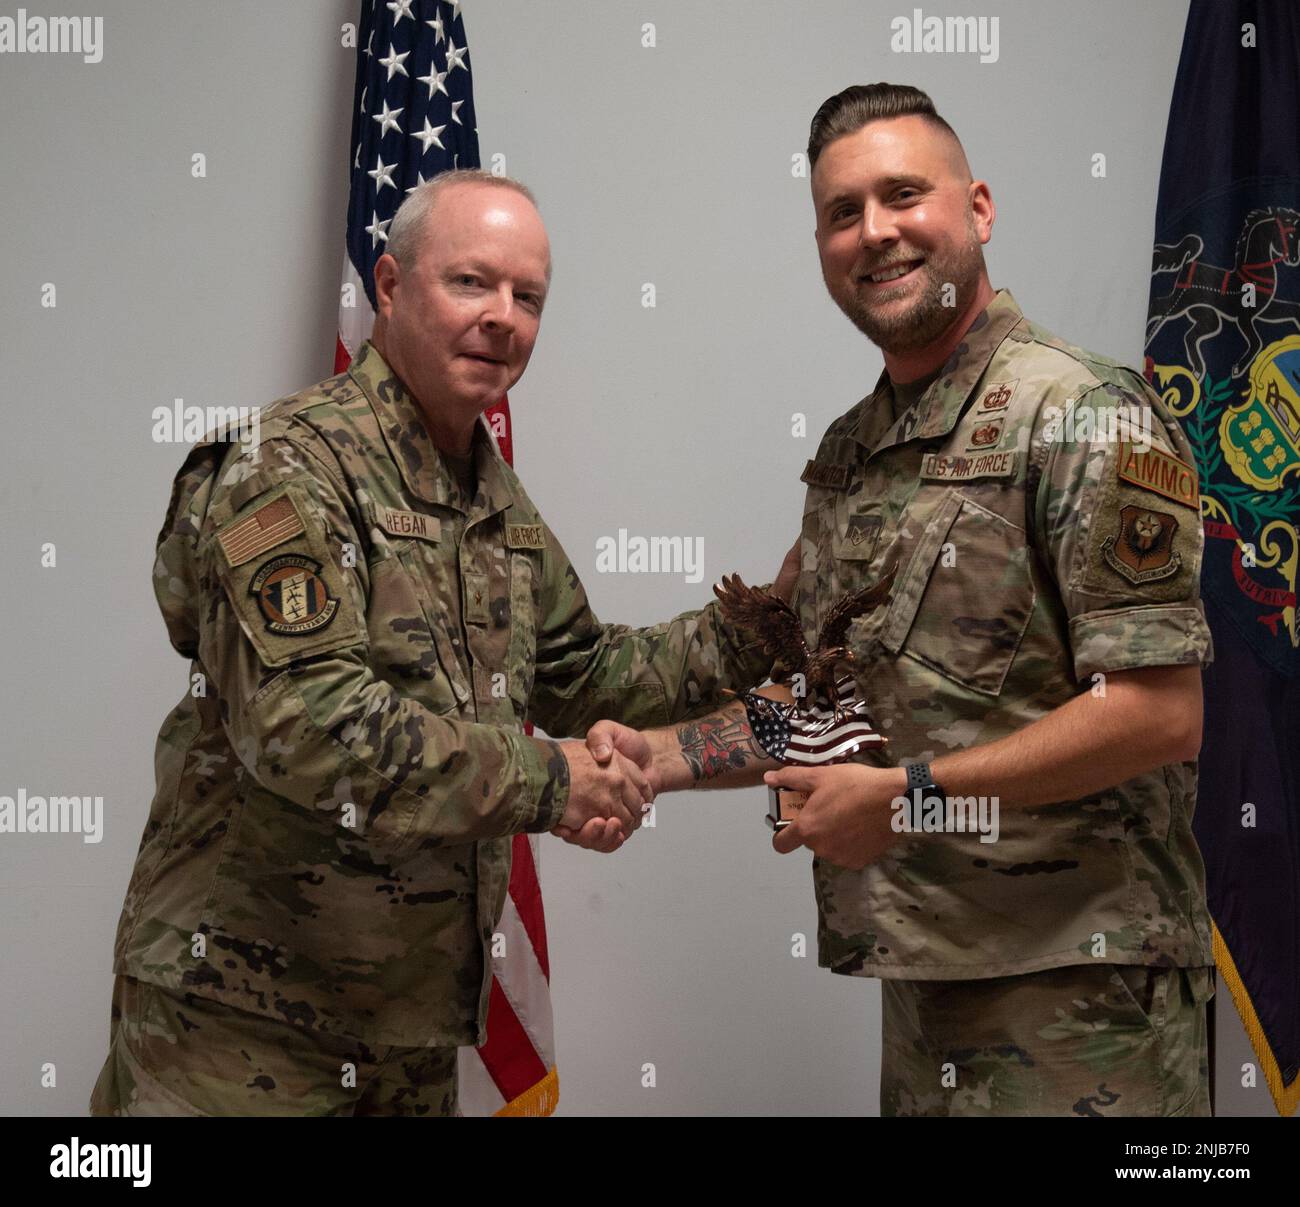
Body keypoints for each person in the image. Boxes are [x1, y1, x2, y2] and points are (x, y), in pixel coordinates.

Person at [569, 83, 1217, 1117]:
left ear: (978, 208)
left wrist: (908, 798)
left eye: (902, 194)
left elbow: (1156, 713)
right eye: (840, 212)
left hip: (1086, 1001)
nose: (874, 232)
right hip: (927, 993)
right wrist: (657, 757)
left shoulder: (1084, 413)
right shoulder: (852, 452)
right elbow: (842, 708)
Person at [89, 170, 794, 1117]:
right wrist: (554, 782)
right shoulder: (283, 467)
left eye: (528, 296)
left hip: (407, 1028)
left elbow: (586, 672)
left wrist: (768, 619)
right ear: (388, 286)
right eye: (471, 283)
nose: (503, 317)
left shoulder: (487, 495)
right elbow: (310, 726)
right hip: (244, 1028)